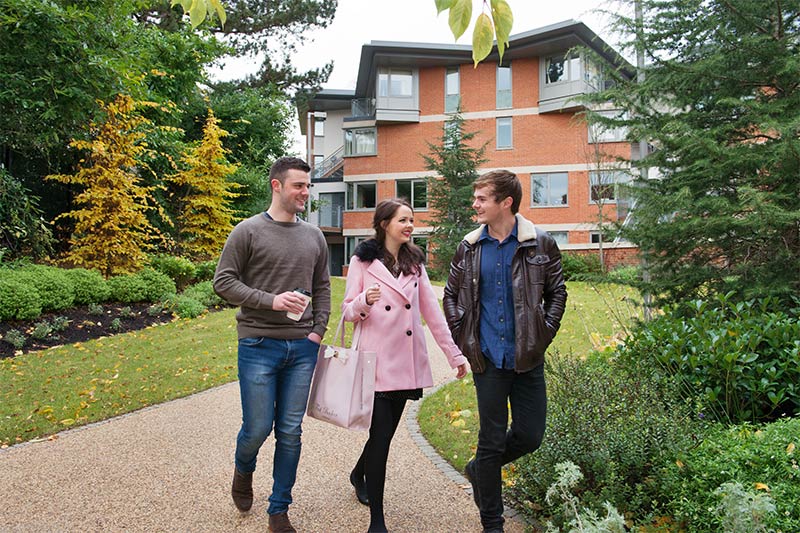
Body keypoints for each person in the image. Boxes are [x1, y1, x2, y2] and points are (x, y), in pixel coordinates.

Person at [443, 170, 567, 533]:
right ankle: (492, 524)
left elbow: (557, 291)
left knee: (530, 435)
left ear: (505, 202)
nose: (475, 204)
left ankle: (479, 468)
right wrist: (464, 336)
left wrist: (544, 332)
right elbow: (450, 295)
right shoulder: (469, 246)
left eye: (482, 198)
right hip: (488, 359)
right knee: (491, 440)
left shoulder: (539, 243)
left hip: (527, 358)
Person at [213, 156, 330, 533]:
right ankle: (243, 469)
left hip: (302, 348)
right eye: (299, 185)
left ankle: (279, 510)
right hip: (258, 344)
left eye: (307, 186)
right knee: (258, 428)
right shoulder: (247, 232)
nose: (305, 193)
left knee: (291, 431)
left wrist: (317, 331)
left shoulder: (313, 236)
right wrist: (271, 300)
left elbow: (323, 287)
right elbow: (224, 283)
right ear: (277, 185)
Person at [342, 198, 469, 533]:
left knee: (383, 432)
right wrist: (361, 302)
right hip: (377, 362)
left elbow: (432, 312)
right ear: (385, 224)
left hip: (406, 362)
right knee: (381, 438)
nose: (410, 225)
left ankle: (358, 474)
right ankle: (378, 522)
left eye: (412, 220)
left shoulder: (415, 263)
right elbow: (346, 311)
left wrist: (454, 354)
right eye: (403, 220)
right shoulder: (363, 260)